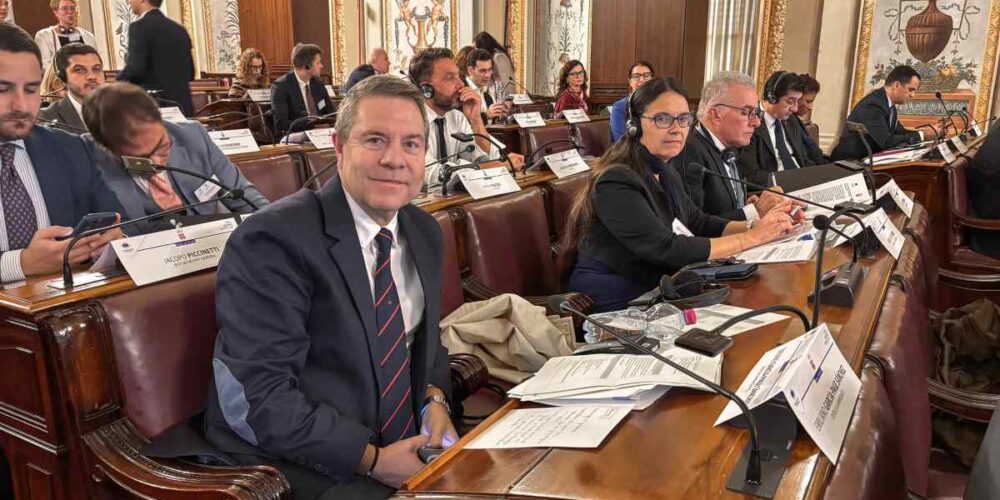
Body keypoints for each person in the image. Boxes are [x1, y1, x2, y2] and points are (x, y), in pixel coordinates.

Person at [205, 75, 455, 499]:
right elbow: (263, 399)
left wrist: (436, 401)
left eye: (411, 144)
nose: (396, 159)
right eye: (375, 140)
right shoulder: (275, 239)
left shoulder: (424, 230)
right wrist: (373, 460)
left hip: (404, 443)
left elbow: (423, 345)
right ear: (339, 148)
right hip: (304, 461)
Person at [560, 77, 798, 312]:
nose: (677, 129)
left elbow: (697, 221)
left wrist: (759, 225)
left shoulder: (664, 168)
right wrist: (754, 237)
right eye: (663, 119)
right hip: (617, 296)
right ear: (635, 125)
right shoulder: (616, 180)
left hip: (661, 284)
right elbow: (666, 249)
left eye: (684, 119)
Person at [0, 22, 124, 284]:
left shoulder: (72, 148)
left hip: (70, 309)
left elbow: (117, 222)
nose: (22, 105)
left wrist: (112, 241)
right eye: (3, 89)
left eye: (32, 89)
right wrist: (19, 264)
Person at [82, 83, 268, 229]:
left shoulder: (193, 136)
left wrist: (276, 224)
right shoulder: (88, 160)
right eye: (143, 157)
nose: (156, 162)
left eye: (162, 146)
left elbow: (244, 195)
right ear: (109, 148)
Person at [673, 72, 789, 220]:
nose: (756, 122)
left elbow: (718, 207)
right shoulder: (689, 153)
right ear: (716, 115)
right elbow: (694, 226)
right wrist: (754, 212)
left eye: (756, 113)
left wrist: (743, 205)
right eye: (747, 112)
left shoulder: (729, 147)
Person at [409, 47, 524, 190]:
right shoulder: (409, 121)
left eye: (458, 76)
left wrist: (476, 119)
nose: (461, 84)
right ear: (426, 89)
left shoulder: (457, 117)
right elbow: (432, 173)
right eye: (450, 78)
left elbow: (485, 158)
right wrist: (498, 165)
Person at [831, 64, 939, 161]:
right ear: (897, 86)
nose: (913, 95)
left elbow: (900, 132)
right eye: (911, 89)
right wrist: (922, 134)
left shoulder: (888, 105)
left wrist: (926, 133)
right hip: (847, 165)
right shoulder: (873, 105)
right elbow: (886, 142)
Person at [738, 71, 820, 187]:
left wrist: (819, 176)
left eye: (797, 101)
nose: (795, 109)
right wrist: (791, 181)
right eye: (790, 102)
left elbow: (804, 159)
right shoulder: (750, 123)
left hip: (802, 185)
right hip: (775, 190)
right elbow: (751, 175)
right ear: (772, 97)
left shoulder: (792, 121)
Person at [116, 0, 196, 116]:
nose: (128, 1)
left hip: (156, 107)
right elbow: (190, 73)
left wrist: (115, 83)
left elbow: (135, 69)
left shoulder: (139, 27)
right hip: (183, 107)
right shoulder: (179, 29)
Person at [271, 43, 334, 136]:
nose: (321, 66)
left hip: (322, 135)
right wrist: (311, 127)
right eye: (318, 62)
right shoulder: (281, 86)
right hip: (297, 137)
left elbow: (331, 114)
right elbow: (281, 123)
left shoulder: (318, 84)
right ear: (308, 65)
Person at [38, 43, 104, 132]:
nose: (91, 76)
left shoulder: (122, 111)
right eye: (79, 70)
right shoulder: (46, 118)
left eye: (96, 69)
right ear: (63, 78)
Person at [34, 0, 97, 71]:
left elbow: (95, 63)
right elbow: (44, 66)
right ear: (56, 12)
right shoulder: (44, 35)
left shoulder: (88, 36)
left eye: (72, 8)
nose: (70, 12)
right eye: (65, 8)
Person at [610, 61, 654, 142]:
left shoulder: (660, 105)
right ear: (630, 81)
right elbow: (620, 142)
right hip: (630, 152)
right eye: (636, 76)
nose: (641, 79)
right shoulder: (619, 107)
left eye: (646, 75)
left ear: (652, 79)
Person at [464, 48, 509, 124]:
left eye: (489, 70)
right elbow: (459, 123)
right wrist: (486, 115)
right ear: (470, 70)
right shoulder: (461, 91)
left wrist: (502, 116)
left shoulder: (487, 96)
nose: (487, 75)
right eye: (482, 71)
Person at [790, 73, 825, 165]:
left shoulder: (797, 121)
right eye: (808, 101)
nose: (810, 107)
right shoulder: (789, 122)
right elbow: (803, 159)